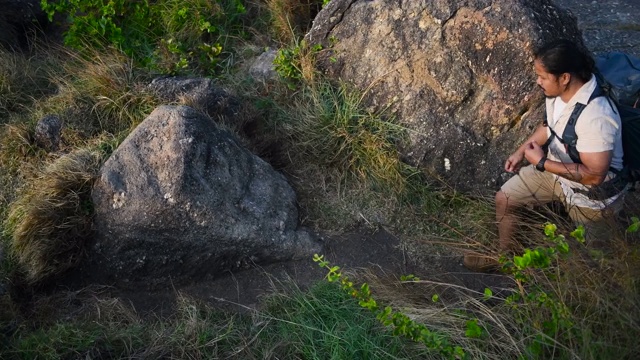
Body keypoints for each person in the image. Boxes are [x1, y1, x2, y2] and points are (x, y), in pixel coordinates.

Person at [464, 39, 628, 272]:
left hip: (591, 198)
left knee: (595, 264)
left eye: (542, 76)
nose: (538, 81)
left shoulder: (596, 117)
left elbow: (594, 176)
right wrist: (522, 150)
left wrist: (541, 162)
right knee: (505, 199)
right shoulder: (558, 94)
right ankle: (507, 258)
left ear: (564, 78)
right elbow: (550, 126)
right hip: (557, 172)